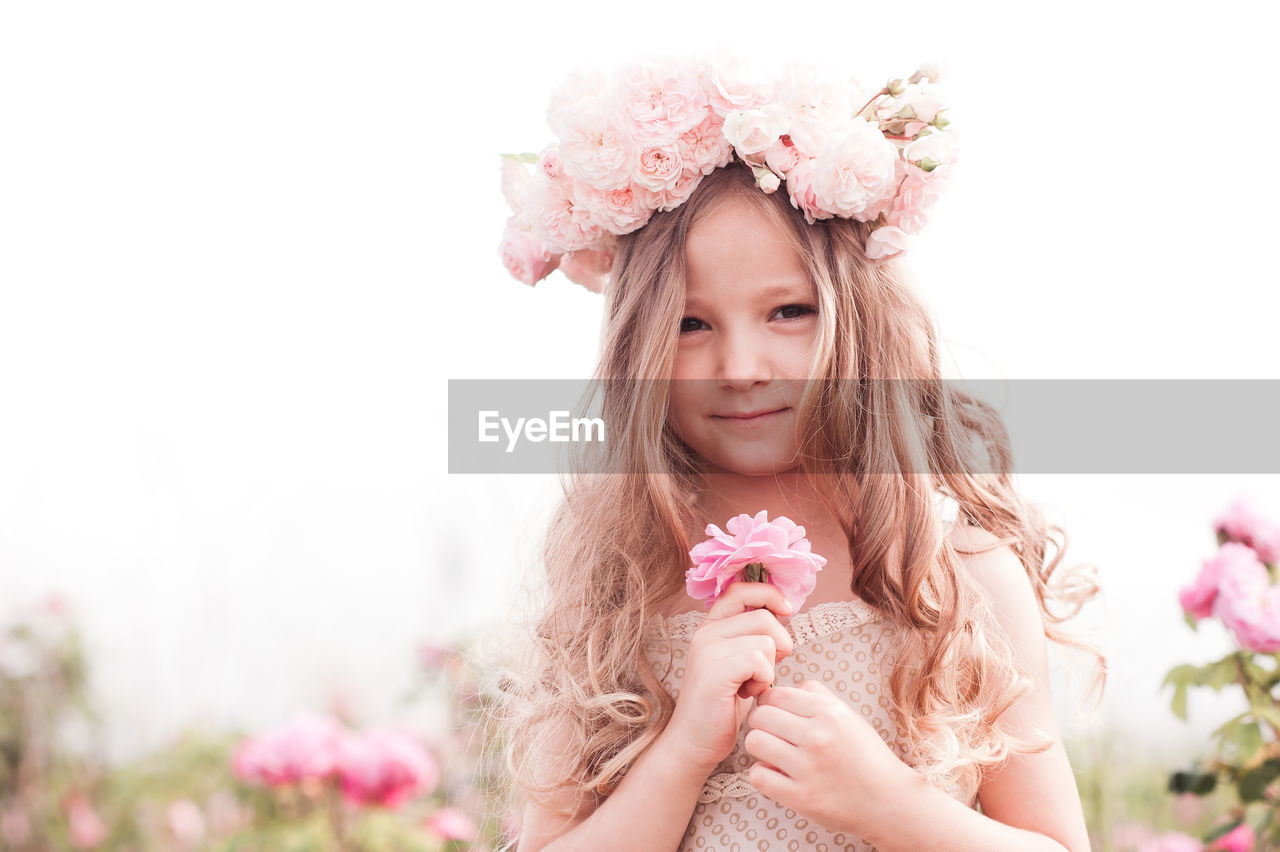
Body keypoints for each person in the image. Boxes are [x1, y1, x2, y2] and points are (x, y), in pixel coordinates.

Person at [491, 52, 1106, 852]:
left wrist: (890, 806)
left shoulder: (954, 574)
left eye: (788, 311)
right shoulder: (619, 579)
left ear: (859, 317)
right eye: (690, 324)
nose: (742, 366)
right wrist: (683, 754)